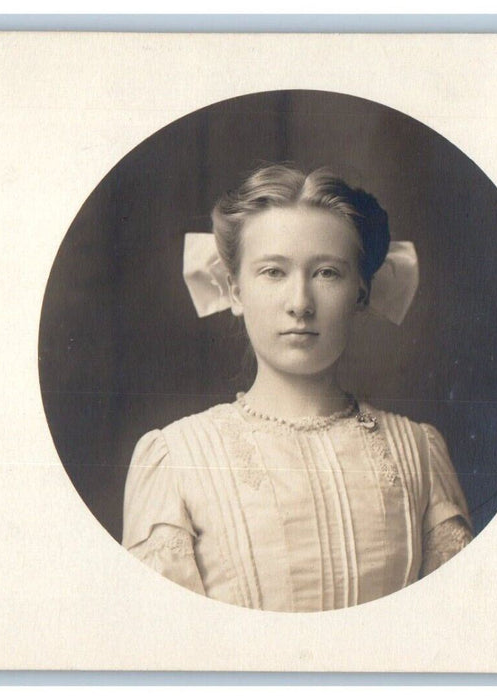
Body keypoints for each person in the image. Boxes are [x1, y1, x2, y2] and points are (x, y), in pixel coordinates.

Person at [122, 164, 472, 612]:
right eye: (273, 272)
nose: (300, 304)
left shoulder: (418, 451)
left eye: (327, 273)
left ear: (361, 293)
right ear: (234, 290)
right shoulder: (177, 458)